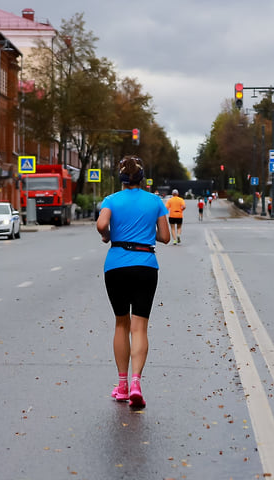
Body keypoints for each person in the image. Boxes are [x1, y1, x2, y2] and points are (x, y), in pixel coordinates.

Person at [96, 156, 171, 408]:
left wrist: (107, 235)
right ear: (142, 178)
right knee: (140, 327)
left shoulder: (111, 200)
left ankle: (122, 385)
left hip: (116, 265)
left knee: (120, 324)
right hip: (146, 266)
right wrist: (147, 232)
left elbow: (101, 223)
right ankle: (137, 382)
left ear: (121, 179)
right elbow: (166, 237)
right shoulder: (155, 201)